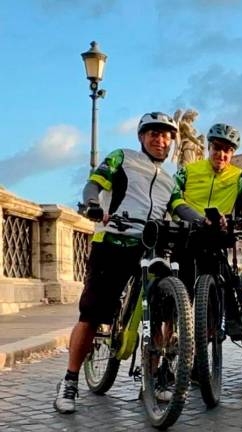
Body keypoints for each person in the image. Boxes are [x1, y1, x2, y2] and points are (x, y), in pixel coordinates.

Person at [55, 112, 183, 414]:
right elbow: (94, 184)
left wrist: (203, 220)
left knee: (158, 306)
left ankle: (152, 376)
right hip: (113, 242)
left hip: (148, 247)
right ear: (141, 137)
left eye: (166, 135)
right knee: (93, 312)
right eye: (153, 133)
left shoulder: (170, 178)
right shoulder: (121, 158)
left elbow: (179, 206)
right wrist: (93, 204)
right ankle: (70, 379)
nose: (160, 140)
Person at [170, 123, 242, 331]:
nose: (221, 154)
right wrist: (195, 218)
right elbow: (173, 196)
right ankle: (176, 337)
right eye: (217, 148)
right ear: (208, 148)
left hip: (218, 235)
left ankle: (227, 321)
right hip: (188, 233)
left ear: (232, 153)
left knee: (225, 279)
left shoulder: (238, 176)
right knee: (180, 288)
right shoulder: (188, 172)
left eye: (227, 150)